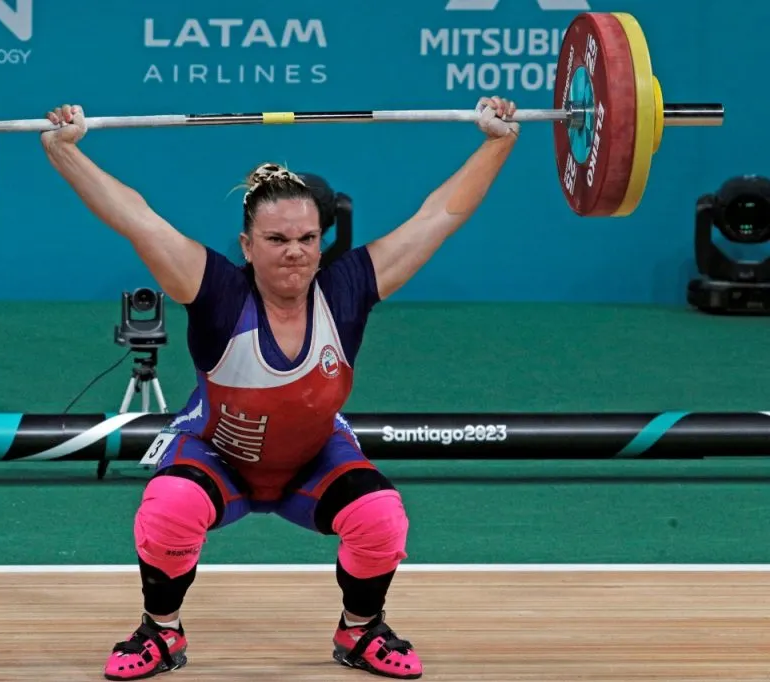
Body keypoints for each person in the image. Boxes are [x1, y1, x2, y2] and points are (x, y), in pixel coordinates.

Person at [41, 96, 520, 681]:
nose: (295, 251)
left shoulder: (347, 289)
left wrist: (498, 143)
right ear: (247, 245)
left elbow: (438, 216)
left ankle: (360, 629)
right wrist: (64, 153)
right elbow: (136, 218)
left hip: (311, 458)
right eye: (276, 239)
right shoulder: (216, 291)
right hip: (218, 453)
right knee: (169, 508)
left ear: (321, 240)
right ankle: (160, 632)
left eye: (307, 238)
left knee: (381, 518)